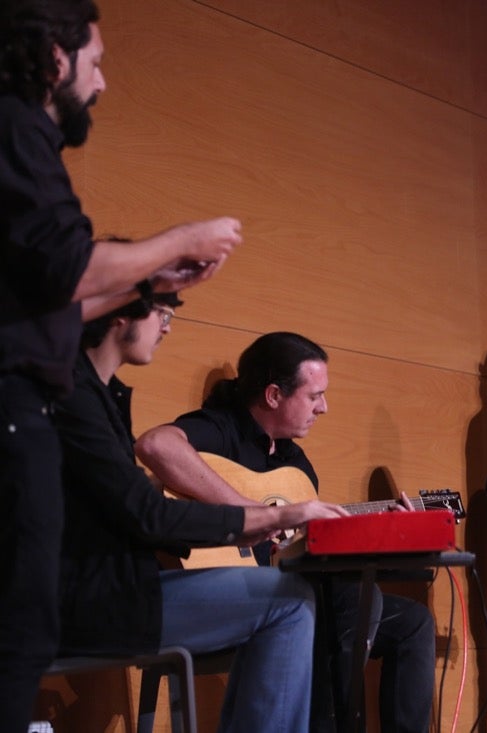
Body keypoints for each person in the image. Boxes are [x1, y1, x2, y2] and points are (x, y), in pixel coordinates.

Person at [1, 3, 240, 727]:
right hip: (14, 412)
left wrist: (149, 283)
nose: (101, 84)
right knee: (19, 632)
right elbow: (68, 268)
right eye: (96, 62)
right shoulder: (18, 125)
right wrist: (175, 242)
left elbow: (47, 297)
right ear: (53, 59)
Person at [53, 293, 346, 731]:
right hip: (92, 599)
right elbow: (149, 514)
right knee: (289, 598)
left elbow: (143, 514)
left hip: (123, 585)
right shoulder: (76, 398)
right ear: (119, 316)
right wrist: (257, 518)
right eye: (163, 313)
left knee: (307, 596)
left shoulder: (101, 396)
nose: (167, 326)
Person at [135, 332, 436, 733]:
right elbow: (155, 445)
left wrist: (384, 526)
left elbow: (298, 547)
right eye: (314, 396)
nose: (324, 408)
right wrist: (258, 514)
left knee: (413, 620)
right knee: (349, 601)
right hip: (219, 592)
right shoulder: (222, 428)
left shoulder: (296, 464)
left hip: (286, 590)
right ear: (274, 395)